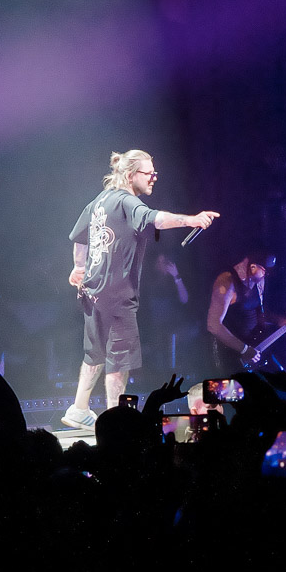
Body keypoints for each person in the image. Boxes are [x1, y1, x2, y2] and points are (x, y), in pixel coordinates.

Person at [62, 151, 218, 430]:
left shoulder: (99, 201)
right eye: (149, 173)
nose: (154, 178)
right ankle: (114, 424)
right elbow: (155, 219)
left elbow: (80, 236)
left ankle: (79, 408)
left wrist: (79, 267)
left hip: (93, 293)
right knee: (119, 363)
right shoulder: (127, 201)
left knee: (95, 354)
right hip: (117, 296)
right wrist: (191, 220)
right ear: (130, 175)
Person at [206, 245, 286, 373]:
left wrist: (282, 321)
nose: (266, 275)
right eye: (265, 271)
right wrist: (243, 349)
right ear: (253, 267)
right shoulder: (227, 281)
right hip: (229, 353)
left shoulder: (259, 280)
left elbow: (260, 315)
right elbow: (213, 325)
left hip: (252, 348)